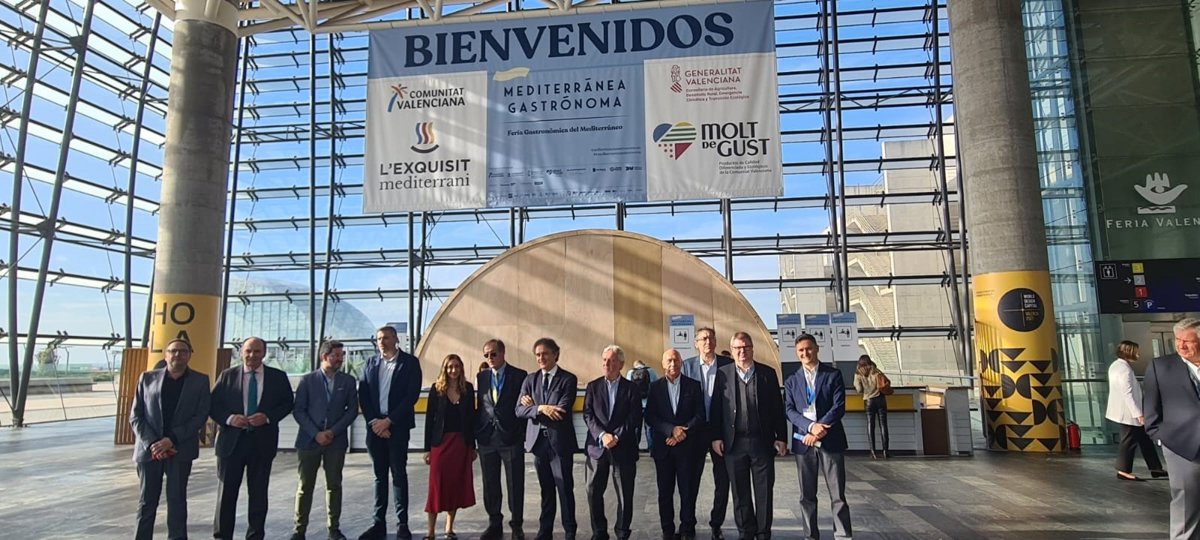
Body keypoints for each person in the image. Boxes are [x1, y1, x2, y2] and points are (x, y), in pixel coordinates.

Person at [211, 336, 296, 540]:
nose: (252, 355)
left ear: (264, 353)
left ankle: (255, 535)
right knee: (226, 494)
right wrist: (230, 419)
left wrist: (267, 417)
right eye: (248, 351)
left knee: (258, 494)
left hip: (261, 443)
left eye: (257, 351)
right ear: (241, 352)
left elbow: (287, 403)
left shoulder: (277, 377)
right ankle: (222, 536)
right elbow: (212, 405)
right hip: (231, 444)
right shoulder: (227, 375)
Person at [131, 338, 211, 540]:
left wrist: (171, 439)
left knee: (177, 500)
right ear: (166, 355)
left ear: (189, 355)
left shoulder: (200, 381)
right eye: (173, 351)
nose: (177, 354)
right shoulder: (146, 378)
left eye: (183, 351)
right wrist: (153, 444)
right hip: (149, 451)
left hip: (179, 449)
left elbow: (200, 416)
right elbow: (136, 416)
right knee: (147, 502)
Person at [710, 332, 787, 540]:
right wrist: (716, 437)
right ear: (732, 350)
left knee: (764, 492)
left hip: (761, 442)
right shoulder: (723, 374)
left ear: (752, 349)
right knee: (740, 493)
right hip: (734, 444)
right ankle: (746, 531)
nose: (742, 352)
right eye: (737, 348)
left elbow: (777, 408)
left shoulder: (767, 374)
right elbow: (716, 408)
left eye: (746, 347)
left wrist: (781, 437)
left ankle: (763, 532)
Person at [358, 326, 423, 540]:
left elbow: (411, 396)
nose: (381, 342)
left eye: (385, 337)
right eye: (378, 338)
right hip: (375, 428)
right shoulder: (370, 363)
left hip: (398, 427)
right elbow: (363, 395)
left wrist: (389, 421)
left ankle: (402, 523)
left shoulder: (410, 363)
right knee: (379, 476)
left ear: (396, 339)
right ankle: (378, 523)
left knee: (398, 474)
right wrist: (375, 423)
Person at [785, 333, 852, 540]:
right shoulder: (791, 380)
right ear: (796, 353)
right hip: (804, 442)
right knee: (807, 495)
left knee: (837, 493)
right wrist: (811, 427)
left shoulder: (833, 375)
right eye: (801, 350)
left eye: (808, 348)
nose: (805, 353)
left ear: (816, 349)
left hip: (830, 439)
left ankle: (842, 534)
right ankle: (810, 535)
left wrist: (820, 428)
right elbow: (789, 410)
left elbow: (838, 406)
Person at [291, 340, 359, 540]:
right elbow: (299, 410)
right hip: (309, 441)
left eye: (341, 355)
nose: (340, 359)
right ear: (324, 356)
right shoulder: (307, 380)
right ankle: (299, 530)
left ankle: (333, 528)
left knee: (334, 485)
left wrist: (332, 432)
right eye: (336, 355)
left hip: (335, 442)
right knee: (305, 486)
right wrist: (316, 433)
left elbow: (352, 411)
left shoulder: (348, 381)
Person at [516, 337, 579, 540]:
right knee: (546, 490)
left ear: (555, 354)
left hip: (560, 443)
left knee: (565, 489)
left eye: (545, 354)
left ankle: (570, 531)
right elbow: (519, 410)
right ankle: (545, 532)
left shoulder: (568, 379)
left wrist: (533, 408)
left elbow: (561, 410)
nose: (541, 358)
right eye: (537, 355)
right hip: (538, 443)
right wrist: (541, 408)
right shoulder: (530, 380)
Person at [1144, 318, 1200, 539]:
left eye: (1188, 341)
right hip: (1181, 446)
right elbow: (1151, 407)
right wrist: (1160, 437)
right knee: (1186, 501)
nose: (1181, 345)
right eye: (1178, 340)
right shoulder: (1161, 367)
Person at [645, 349, 705, 540]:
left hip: (688, 448)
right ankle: (667, 529)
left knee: (688, 491)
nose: (673, 364)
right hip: (664, 448)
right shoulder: (655, 387)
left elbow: (700, 415)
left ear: (681, 363)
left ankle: (687, 528)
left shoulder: (693, 386)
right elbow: (650, 416)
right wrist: (671, 430)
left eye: (676, 360)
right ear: (663, 363)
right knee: (665, 493)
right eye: (669, 361)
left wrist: (682, 432)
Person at [583, 345, 643, 540]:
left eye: (611, 360)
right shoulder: (593, 386)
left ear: (621, 364)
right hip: (597, 448)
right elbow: (588, 414)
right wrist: (602, 435)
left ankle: (622, 532)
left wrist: (616, 436)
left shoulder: (631, 388)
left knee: (625, 495)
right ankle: (599, 532)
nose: (606, 364)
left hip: (623, 448)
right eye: (604, 360)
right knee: (593, 492)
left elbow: (634, 416)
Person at [682, 327, 733, 539]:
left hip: (721, 431)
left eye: (711, 338)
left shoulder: (728, 365)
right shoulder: (687, 366)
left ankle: (716, 523)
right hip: (695, 432)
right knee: (690, 480)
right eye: (703, 338)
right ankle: (688, 524)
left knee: (723, 481)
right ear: (696, 343)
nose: (708, 342)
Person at [476, 339, 529, 540]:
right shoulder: (482, 377)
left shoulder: (519, 375)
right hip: (487, 438)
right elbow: (482, 405)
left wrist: (521, 434)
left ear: (503, 353)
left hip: (511, 438)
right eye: (486, 355)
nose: (490, 358)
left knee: (515, 483)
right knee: (490, 483)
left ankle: (517, 525)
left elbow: (523, 406)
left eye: (493, 354)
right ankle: (494, 523)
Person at [423, 354, 478, 540]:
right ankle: (430, 531)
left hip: (461, 444)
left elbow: (471, 420)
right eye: (449, 367)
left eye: (456, 366)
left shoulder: (467, 389)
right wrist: (427, 449)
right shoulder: (436, 389)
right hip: (440, 444)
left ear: (461, 368)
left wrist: (472, 447)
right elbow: (429, 420)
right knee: (436, 486)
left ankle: (449, 528)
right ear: (444, 369)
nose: (453, 370)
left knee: (454, 486)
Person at [1105, 340, 1165, 482]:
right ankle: (1123, 470)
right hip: (1128, 412)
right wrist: (1138, 414)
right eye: (1136, 351)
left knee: (1144, 438)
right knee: (1129, 440)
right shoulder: (1124, 370)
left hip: (1126, 410)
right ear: (1129, 352)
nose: (1138, 354)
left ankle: (1155, 468)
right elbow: (1128, 393)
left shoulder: (1116, 366)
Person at [852, 354, 890, 459]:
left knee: (870, 425)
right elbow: (887, 382)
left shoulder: (858, 374)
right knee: (883, 425)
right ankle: (885, 451)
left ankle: (873, 452)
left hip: (868, 401)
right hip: (880, 399)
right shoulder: (876, 371)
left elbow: (859, 390)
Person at [625, 358, 657, 450]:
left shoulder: (630, 372)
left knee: (636, 427)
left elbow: (628, 389)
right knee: (649, 427)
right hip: (649, 404)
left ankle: (635, 448)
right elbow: (656, 386)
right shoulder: (651, 371)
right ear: (643, 364)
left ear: (635, 365)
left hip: (635, 405)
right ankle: (651, 448)